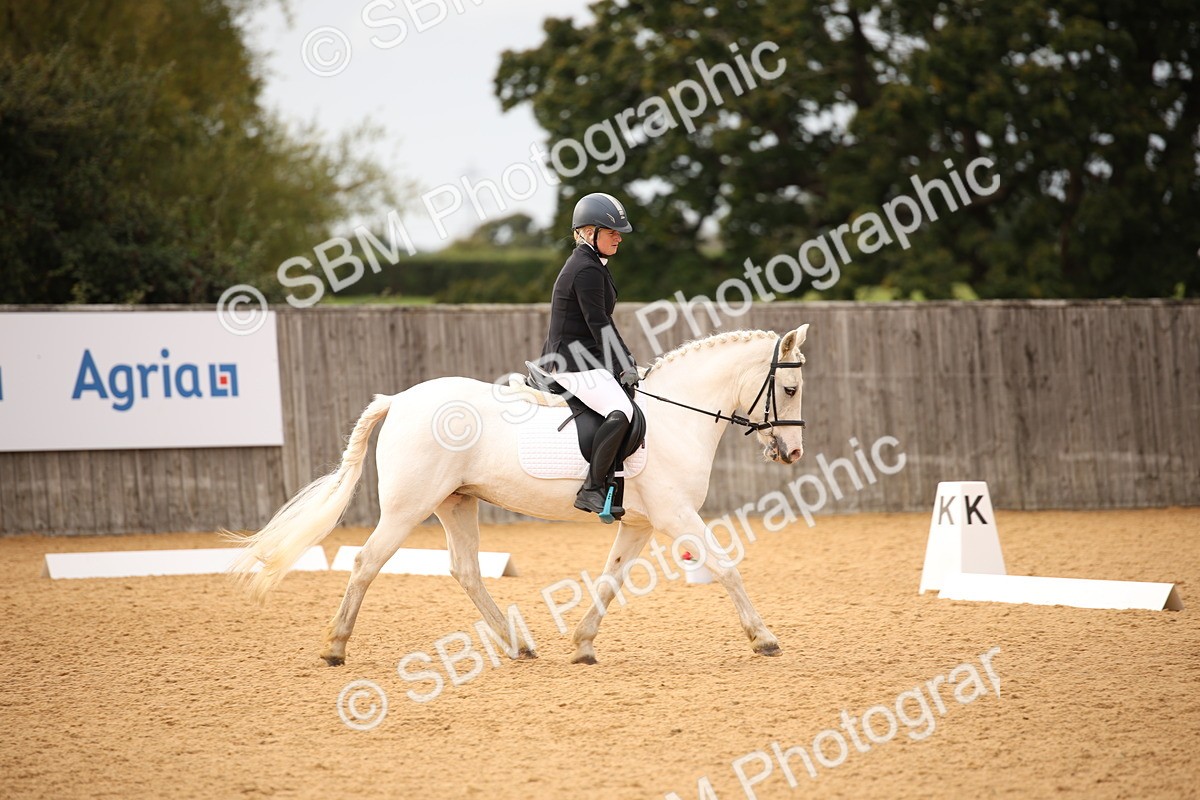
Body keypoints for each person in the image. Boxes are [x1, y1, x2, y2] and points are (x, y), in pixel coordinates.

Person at [536, 192, 640, 517]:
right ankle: (591, 489)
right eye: (611, 231)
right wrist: (624, 365)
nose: (618, 237)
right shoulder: (586, 270)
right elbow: (600, 324)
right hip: (571, 363)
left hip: (582, 359)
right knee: (622, 410)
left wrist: (624, 365)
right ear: (587, 232)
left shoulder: (593, 264)